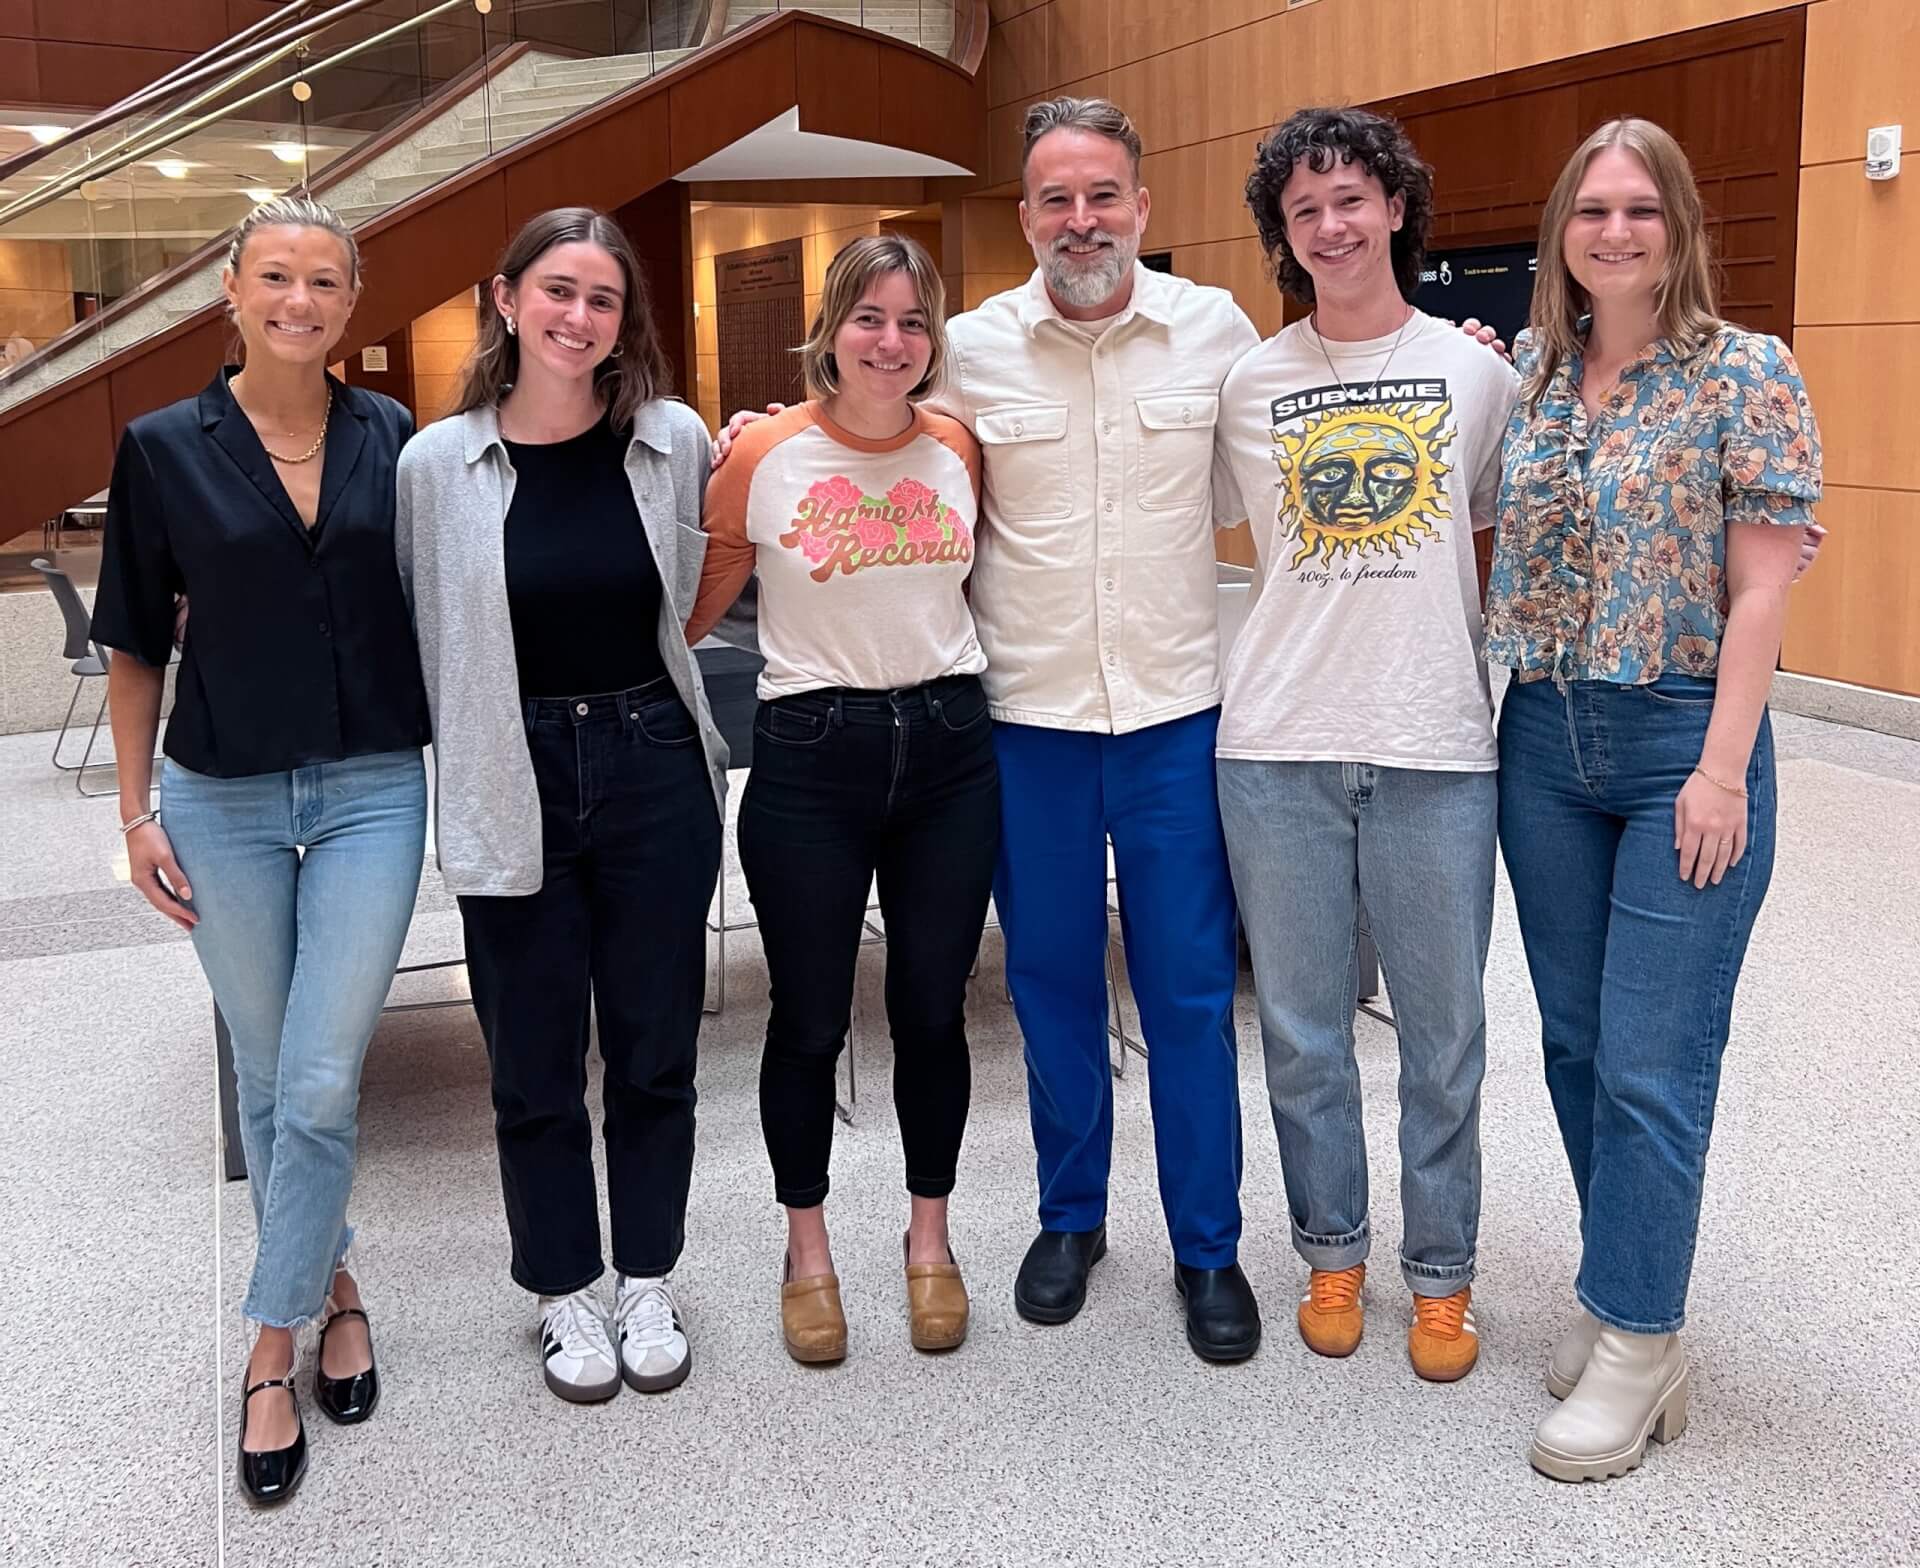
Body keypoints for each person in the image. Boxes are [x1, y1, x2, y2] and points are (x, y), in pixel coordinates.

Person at [717, 97, 1264, 1363]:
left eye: (1104, 196)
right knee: (1052, 982)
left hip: (1176, 711)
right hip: (1024, 721)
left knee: (1186, 988)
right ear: (1026, 218)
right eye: (1057, 200)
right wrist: (761, 432)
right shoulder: (966, 350)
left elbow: (1283, 447)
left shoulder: (1213, 333)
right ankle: (1070, 1217)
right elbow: (865, 421)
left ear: (1141, 205)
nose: (1083, 221)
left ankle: (1207, 1244)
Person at [1485, 118, 1821, 1481]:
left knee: (1651, 1063)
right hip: (1541, 746)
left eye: (1640, 210)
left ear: (1678, 227)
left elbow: (1762, 587)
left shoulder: (1749, 372)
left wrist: (1724, 769)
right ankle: (1627, 1300)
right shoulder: (1535, 373)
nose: (1613, 232)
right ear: (1561, 229)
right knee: (1572, 1045)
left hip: (1681, 732)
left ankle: (1634, 1335)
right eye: (1591, 210)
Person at [91, 195, 429, 1505]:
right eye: (276, 277)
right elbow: (133, 641)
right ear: (230, 292)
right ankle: (336, 1281)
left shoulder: (393, 439)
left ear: (353, 303)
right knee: (277, 1073)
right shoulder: (163, 447)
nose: (301, 301)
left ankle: (271, 1347)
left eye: (326, 282)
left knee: (324, 1073)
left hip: (367, 794)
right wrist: (133, 815)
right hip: (220, 797)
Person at [395, 208, 727, 1405]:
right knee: (532, 1059)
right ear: (506, 297)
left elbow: (697, 589)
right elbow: (423, 628)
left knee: (654, 1048)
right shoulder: (437, 465)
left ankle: (647, 1273)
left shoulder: (670, 439)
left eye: (601, 298)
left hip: (650, 756)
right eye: (557, 291)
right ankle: (562, 1289)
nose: (578, 317)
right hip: (509, 763)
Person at [1211, 107, 1518, 1384]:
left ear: (1396, 205)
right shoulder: (1248, 382)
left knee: (1444, 1030)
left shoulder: (1479, 371)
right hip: (1276, 739)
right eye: (1304, 210)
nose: (1331, 225)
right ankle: (1333, 1246)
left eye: (1351, 198)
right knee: (1300, 1025)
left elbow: (1489, 541)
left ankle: (1439, 1277)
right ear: (1284, 237)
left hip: (1437, 744)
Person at [686, 234, 994, 1363]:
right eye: (870, 317)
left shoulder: (959, 444)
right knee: (809, 1017)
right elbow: (693, 602)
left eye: (913, 322)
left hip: (952, 748)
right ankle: (806, 1248)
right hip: (812, 751)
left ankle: (929, 1240)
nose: (891, 341)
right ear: (830, 327)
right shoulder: (764, 450)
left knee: (930, 1009)